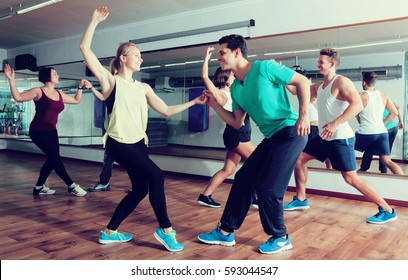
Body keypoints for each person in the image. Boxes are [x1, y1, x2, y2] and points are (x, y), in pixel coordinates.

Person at [80, 6, 207, 252]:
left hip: (139, 144)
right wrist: (94, 21)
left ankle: (110, 232)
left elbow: (166, 110)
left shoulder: (144, 88)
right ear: (123, 58)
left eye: (141, 55)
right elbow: (85, 49)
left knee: (140, 189)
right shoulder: (111, 81)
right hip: (119, 143)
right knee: (157, 176)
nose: (141, 58)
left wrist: (194, 102)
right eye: (136, 54)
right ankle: (166, 230)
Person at [197, 34, 311, 254]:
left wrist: (303, 114)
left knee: (268, 187)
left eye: (222, 53)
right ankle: (225, 232)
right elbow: (237, 123)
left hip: (290, 133)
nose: (219, 58)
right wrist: (214, 106)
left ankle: (280, 236)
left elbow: (302, 81)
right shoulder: (237, 88)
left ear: (236, 52)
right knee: (243, 178)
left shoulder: (264, 68)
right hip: (272, 138)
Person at [283, 49, 398, 225]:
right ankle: (301, 198)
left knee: (351, 178)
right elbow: (296, 91)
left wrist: (335, 123)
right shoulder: (319, 86)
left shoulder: (341, 82)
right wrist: (279, 77)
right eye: (318, 61)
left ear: (332, 64)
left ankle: (387, 209)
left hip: (341, 138)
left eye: (321, 61)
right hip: (324, 137)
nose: (318, 64)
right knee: (299, 159)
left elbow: (357, 104)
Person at [4, 64, 87, 197]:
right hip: (38, 131)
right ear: (47, 77)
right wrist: (11, 80)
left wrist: (80, 87)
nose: (58, 75)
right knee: (55, 158)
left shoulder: (59, 94)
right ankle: (71, 185)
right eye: (55, 74)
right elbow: (18, 97)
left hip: (51, 131)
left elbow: (76, 100)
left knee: (52, 158)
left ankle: (38, 187)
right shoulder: (38, 91)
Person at [197, 46, 256, 208]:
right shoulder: (222, 94)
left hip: (238, 134)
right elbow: (204, 76)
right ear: (225, 77)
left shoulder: (235, 91)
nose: (234, 76)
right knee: (258, 163)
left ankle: (205, 195)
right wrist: (207, 59)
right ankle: (255, 197)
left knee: (228, 169)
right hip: (238, 135)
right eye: (231, 75)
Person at [354, 72, 404, 175]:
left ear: (364, 83)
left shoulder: (361, 95)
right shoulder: (383, 95)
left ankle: (349, 175)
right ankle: (404, 181)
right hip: (382, 132)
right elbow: (394, 112)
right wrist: (382, 123)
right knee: (387, 160)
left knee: (344, 147)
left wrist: (358, 118)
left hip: (366, 133)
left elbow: (354, 113)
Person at [82, 79, 116, 192]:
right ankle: (104, 182)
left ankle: (139, 184)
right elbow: (102, 97)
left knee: (132, 159)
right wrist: (91, 87)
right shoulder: (110, 93)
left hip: (125, 132)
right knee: (108, 157)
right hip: (110, 131)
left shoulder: (127, 92)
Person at [360, 101, 404, 173]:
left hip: (383, 129)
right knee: (386, 150)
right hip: (393, 127)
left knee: (369, 148)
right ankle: (383, 170)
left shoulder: (369, 102)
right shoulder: (384, 99)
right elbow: (398, 108)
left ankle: (364, 169)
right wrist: (401, 121)